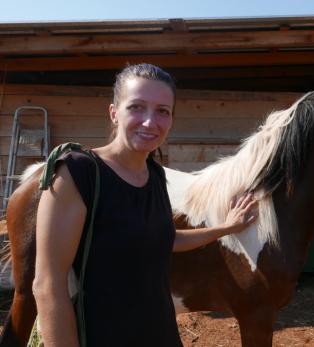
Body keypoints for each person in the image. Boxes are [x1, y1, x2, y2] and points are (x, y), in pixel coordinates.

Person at [32, 63, 258, 347]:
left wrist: (226, 228)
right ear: (114, 113)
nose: (150, 122)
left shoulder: (155, 175)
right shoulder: (79, 173)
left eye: (163, 111)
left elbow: (166, 238)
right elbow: (48, 285)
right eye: (137, 107)